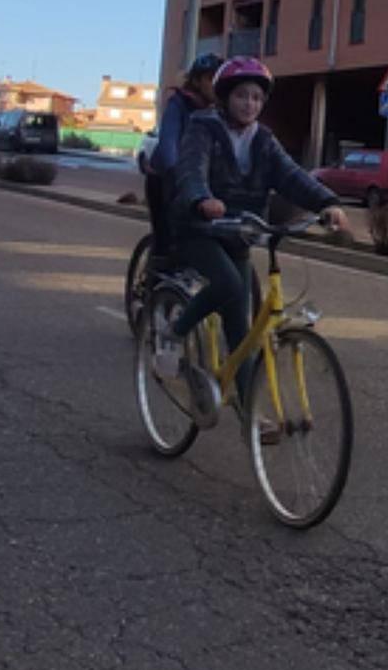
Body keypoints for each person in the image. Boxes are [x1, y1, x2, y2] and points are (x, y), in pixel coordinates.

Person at [165, 57, 346, 417]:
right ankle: (174, 332)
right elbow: (190, 168)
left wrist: (327, 203)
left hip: (240, 233)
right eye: (242, 96)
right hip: (196, 228)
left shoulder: (263, 139)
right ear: (224, 98)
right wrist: (202, 198)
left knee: (242, 329)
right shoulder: (203, 126)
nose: (250, 104)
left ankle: (249, 413)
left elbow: (291, 175)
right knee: (231, 286)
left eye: (257, 98)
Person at [142, 53, 223, 269]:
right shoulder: (178, 103)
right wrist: (176, 170)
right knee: (166, 236)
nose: (216, 85)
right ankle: (154, 285)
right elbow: (169, 142)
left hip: (199, 182)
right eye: (210, 79)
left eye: (219, 80)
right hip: (165, 177)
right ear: (196, 81)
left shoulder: (219, 112)